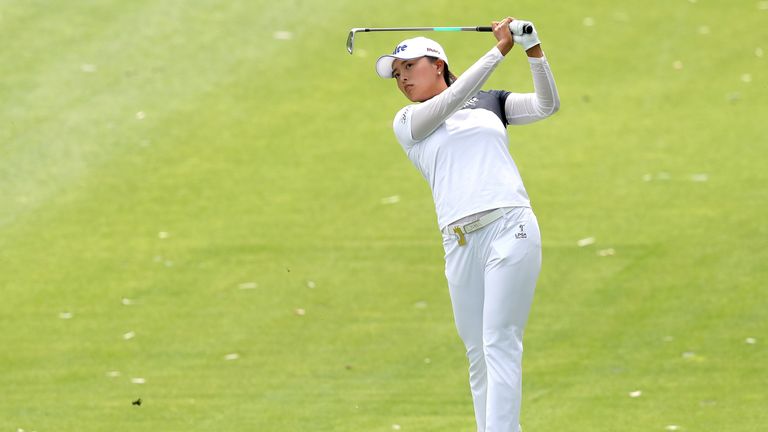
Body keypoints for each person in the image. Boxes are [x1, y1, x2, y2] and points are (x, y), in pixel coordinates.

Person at [375, 17, 560, 432]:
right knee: (477, 352)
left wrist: (533, 49)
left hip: (509, 226)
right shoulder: (408, 121)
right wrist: (499, 50)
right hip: (459, 243)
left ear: (438, 64)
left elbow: (546, 105)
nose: (403, 79)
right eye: (397, 74)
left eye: (409, 67)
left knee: (499, 340)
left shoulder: (491, 103)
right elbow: (454, 98)